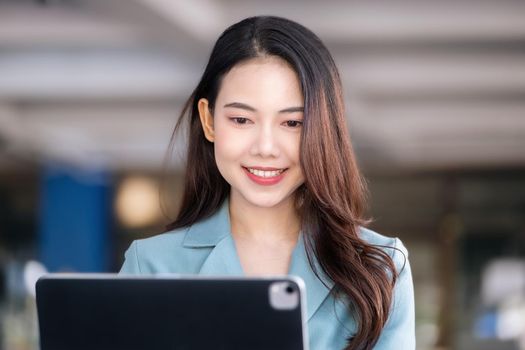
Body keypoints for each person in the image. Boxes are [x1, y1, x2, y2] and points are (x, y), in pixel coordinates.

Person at [119, 15, 415, 350]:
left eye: (292, 122)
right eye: (241, 119)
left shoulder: (380, 268)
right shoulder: (152, 266)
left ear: (322, 127)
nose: (265, 147)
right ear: (208, 120)